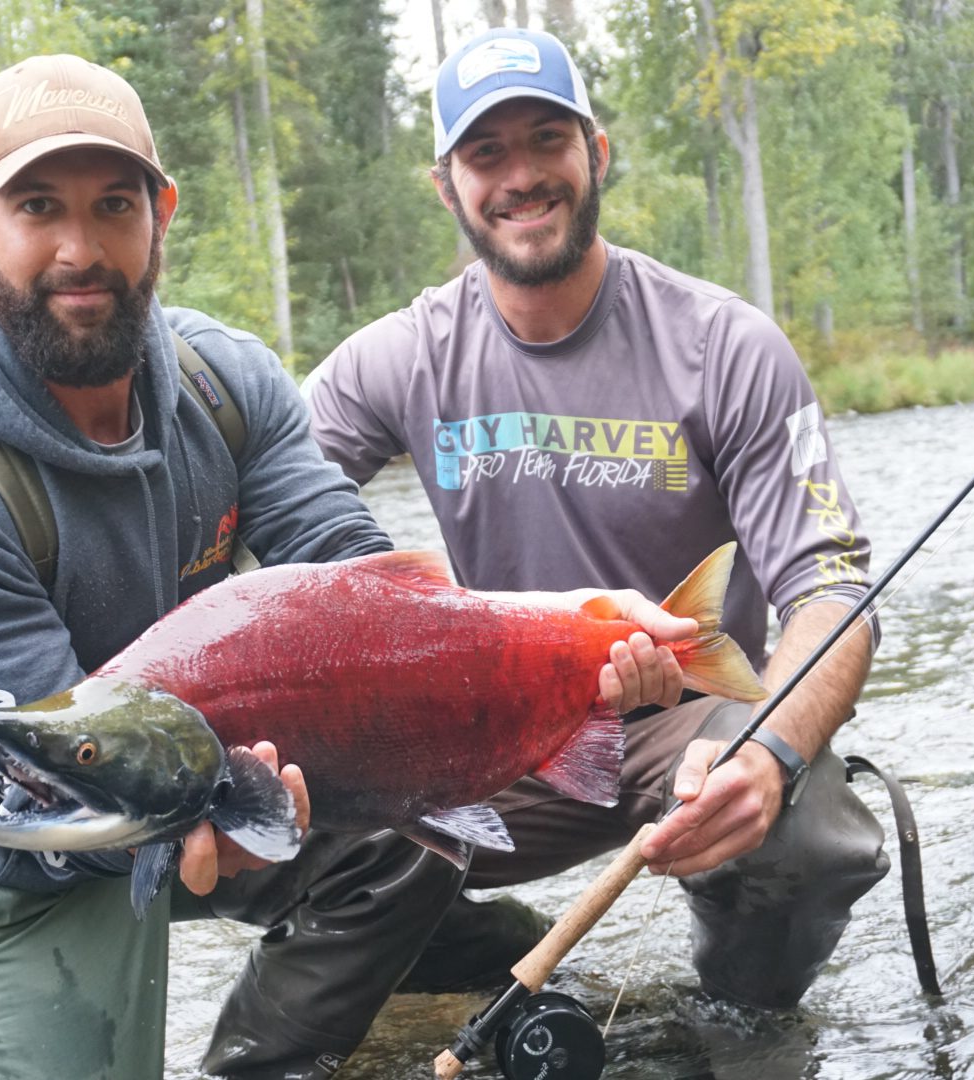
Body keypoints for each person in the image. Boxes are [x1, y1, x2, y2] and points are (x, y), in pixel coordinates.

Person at [0, 52, 679, 1080]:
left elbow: (364, 585)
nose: (78, 248)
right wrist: (206, 822)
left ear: (163, 211)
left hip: (191, 760)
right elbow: (36, 806)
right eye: (36, 208)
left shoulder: (221, 382)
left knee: (404, 817)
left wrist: (576, 627)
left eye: (113, 206)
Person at [299, 22, 892, 1046]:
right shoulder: (400, 357)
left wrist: (771, 752)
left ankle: (733, 1020)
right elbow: (252, 487)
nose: (521, 177)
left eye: (546, 141)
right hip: (498, 727)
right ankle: (472, 957)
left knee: (809, 834)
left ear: (596, 154)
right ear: (445, 186)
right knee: (285, 832)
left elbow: (833, 593)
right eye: (487, 154)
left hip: (684, 718)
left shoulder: (723, 348)